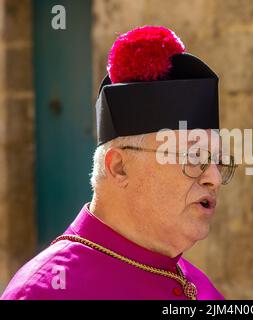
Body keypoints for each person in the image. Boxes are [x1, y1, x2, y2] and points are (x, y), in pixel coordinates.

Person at [1, 26, 236, 300]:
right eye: (193, 157)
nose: (215, 178)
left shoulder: (200, 287)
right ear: (119, 167)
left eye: (217, 160)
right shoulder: (45, 291)